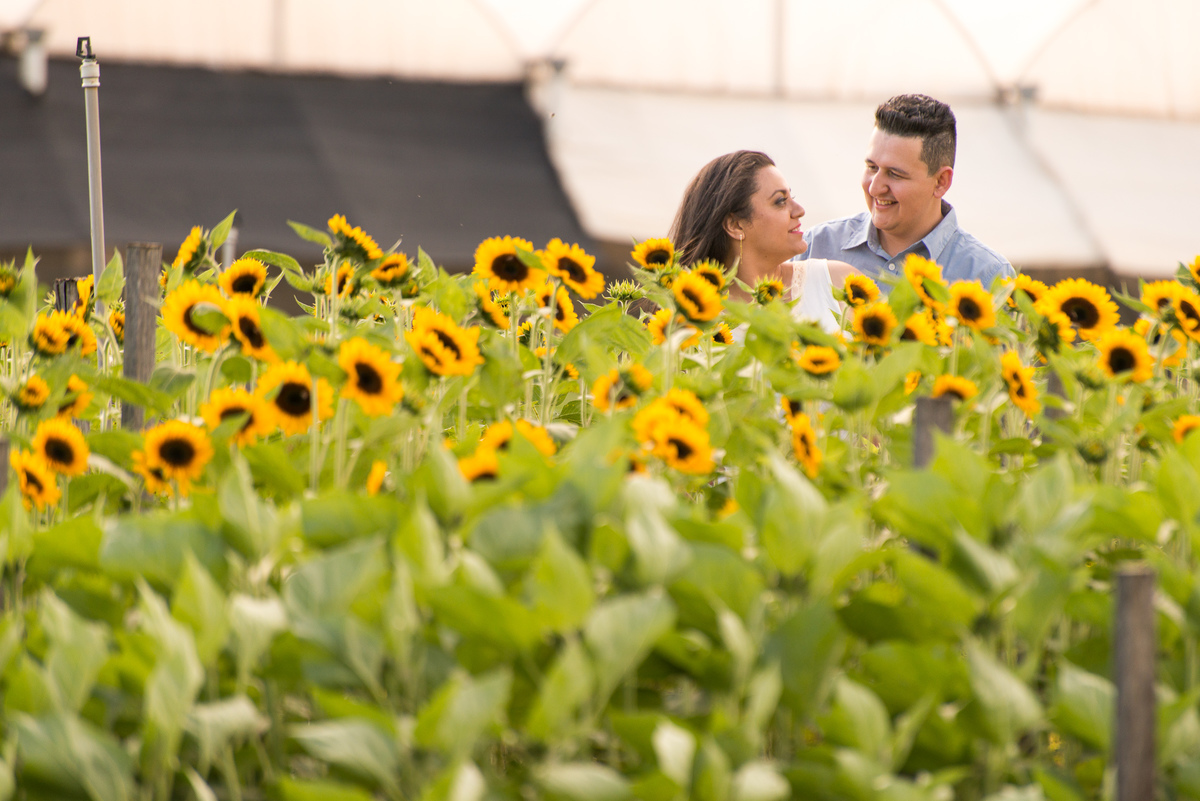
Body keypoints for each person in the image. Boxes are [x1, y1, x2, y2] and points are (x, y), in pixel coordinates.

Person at [800, 94, 1014, 290]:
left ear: (941, 182)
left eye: (894, 174)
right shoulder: (815, 247)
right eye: (872, 167)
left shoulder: (989, 277)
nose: (875, 188)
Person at [669, 150, 855, 332]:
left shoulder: (838, 282)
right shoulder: (691, 322)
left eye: (791, 197)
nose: (799, 210)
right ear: (736, 225)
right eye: (780, 201)